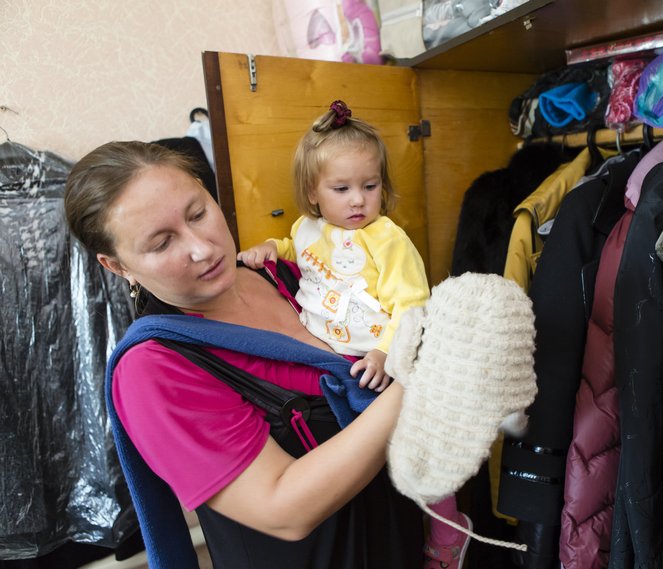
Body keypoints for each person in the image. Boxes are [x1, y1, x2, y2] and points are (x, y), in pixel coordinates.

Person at [63, 140, 424, 569]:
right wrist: (418, 377)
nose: (203, 248)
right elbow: (283, 509)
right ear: (117, 265)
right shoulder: (155, 369)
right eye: (162, 244)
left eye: (198, 213)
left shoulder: (295, 278)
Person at [237, 100, 472, 569]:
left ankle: (449, 526)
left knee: (417, 447)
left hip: (381, 359)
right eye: (341, 188)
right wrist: (270, 247)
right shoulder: (306, 230)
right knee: (360, 457)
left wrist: (388, 353)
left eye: (370, 185)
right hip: (333, 359)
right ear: (313, 191)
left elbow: (412, 304)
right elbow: (292, 249)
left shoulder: (387, 239)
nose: (358, 200)